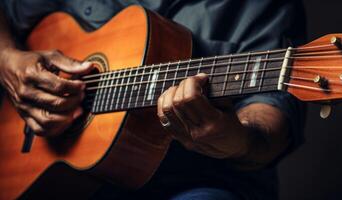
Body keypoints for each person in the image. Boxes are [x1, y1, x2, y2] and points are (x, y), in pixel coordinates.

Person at [0, 1, 306, 199]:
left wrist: (236, 139)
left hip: (198, 183)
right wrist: (7, 59)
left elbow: (271, 120)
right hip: (57, 182)